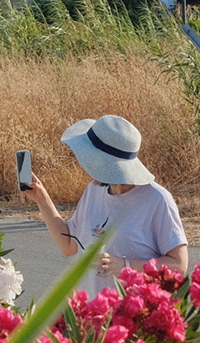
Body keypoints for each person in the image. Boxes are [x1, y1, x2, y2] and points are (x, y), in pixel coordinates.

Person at [23, 114, 187, 292]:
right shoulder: (94, 190)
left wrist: (125, 265)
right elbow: (69, 245)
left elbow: (178, 265)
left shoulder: (157, 200)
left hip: (131, 308)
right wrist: (41, 199)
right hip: (90, 308)